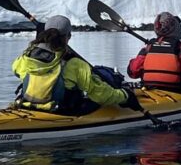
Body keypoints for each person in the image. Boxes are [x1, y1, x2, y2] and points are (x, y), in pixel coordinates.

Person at [12, 15, 141, 115]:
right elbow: (101, 94)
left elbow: (16, 70)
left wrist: (40, 44)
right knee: (94, 99)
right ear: (68, 36)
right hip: (60, 113)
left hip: (27, 107)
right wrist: (124, 96)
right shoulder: (74, 64)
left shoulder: (26, 58)